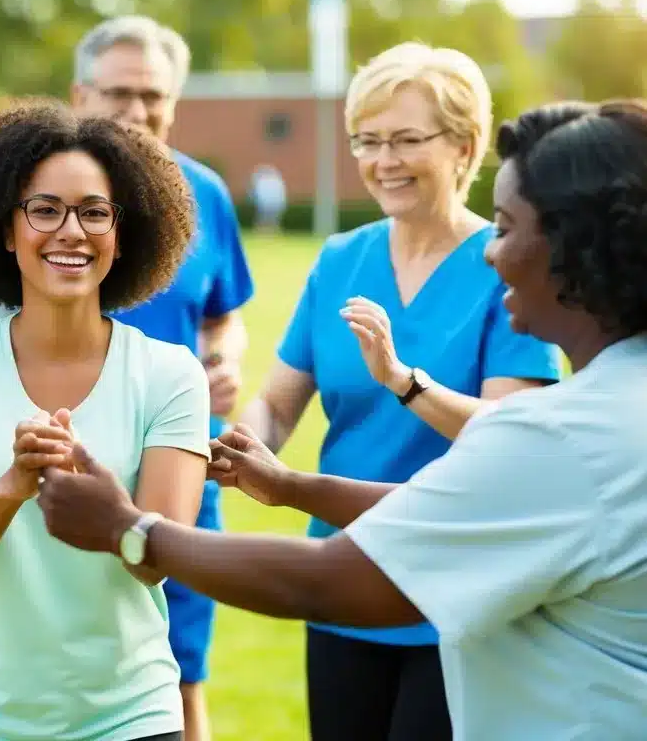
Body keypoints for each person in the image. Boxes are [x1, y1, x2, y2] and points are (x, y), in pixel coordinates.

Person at [35, 97, 647, 740]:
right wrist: (293, 487)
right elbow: (467, 504)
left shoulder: (564, 437)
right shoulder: (612, 409)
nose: (490, 254)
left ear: (573, 247)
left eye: (504, 225)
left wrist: (131, 530)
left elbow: (330, 581)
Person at [234, 42, 566, 740]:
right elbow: (275, 403)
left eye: (406, 139)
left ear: (464, 145)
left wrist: (403, 381)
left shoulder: (505, 265)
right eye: (367, 140)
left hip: (460, 591)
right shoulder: (339, 260)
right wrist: (243, 447)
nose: (383, 160)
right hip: (342, 576)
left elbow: (511, 439)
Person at [0, 99, 210, 741]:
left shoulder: (170, 375)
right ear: (6, 229)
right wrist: (12, 487)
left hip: (129, 716)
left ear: (123, 235)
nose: (72, 231)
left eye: (95, 212)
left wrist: (109, 508)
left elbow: (159, 560)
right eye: (45, 209)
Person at [71, 14, 253, 741]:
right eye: (118, 93)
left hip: (179, 469)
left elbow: (222, 315)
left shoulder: (204, 194)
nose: (137, 111)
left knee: (180, 675)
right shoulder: (35, 194)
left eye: (153, 95)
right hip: (64, 464)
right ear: (80, 95)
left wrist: (224, 358)